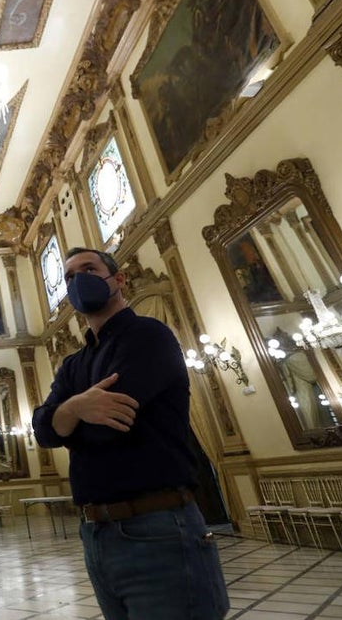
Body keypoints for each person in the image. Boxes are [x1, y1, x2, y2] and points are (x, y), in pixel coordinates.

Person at [31, 248, 228, 620]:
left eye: (88, 269)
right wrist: (74, 409)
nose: (77, 281)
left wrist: (64, 422)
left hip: (158, 529)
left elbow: (108, 431)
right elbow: (42, 431)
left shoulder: (148, 336)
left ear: (118, 279)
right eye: (69, 277)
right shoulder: (73, 363)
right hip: (96, 535)